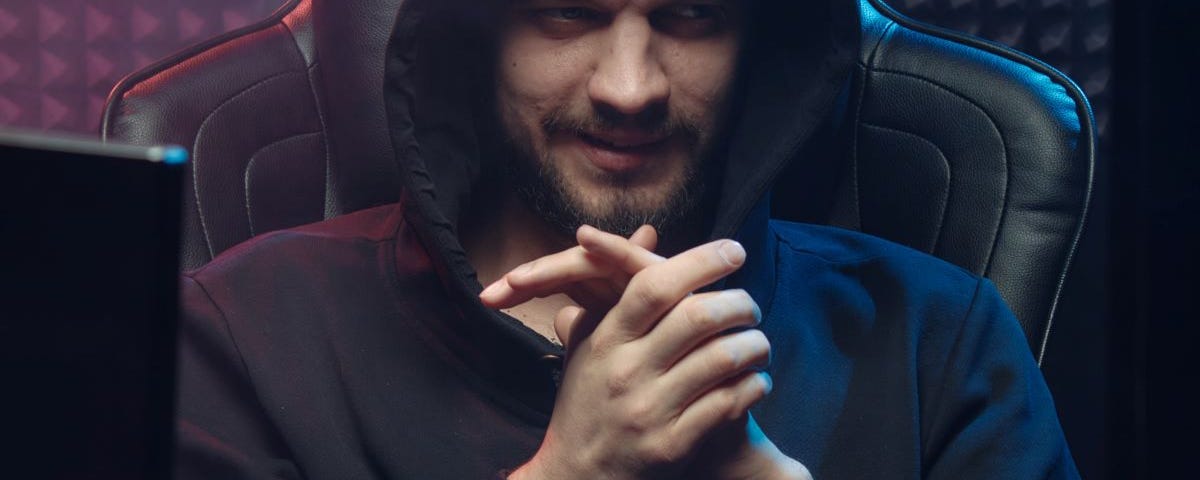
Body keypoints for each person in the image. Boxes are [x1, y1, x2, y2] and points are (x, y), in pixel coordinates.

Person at [174, 0, 1079, 478]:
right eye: (567, 10)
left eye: (690, 15)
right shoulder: (245, 334)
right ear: (477, 32)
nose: (629, 86)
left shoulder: (936, 340)